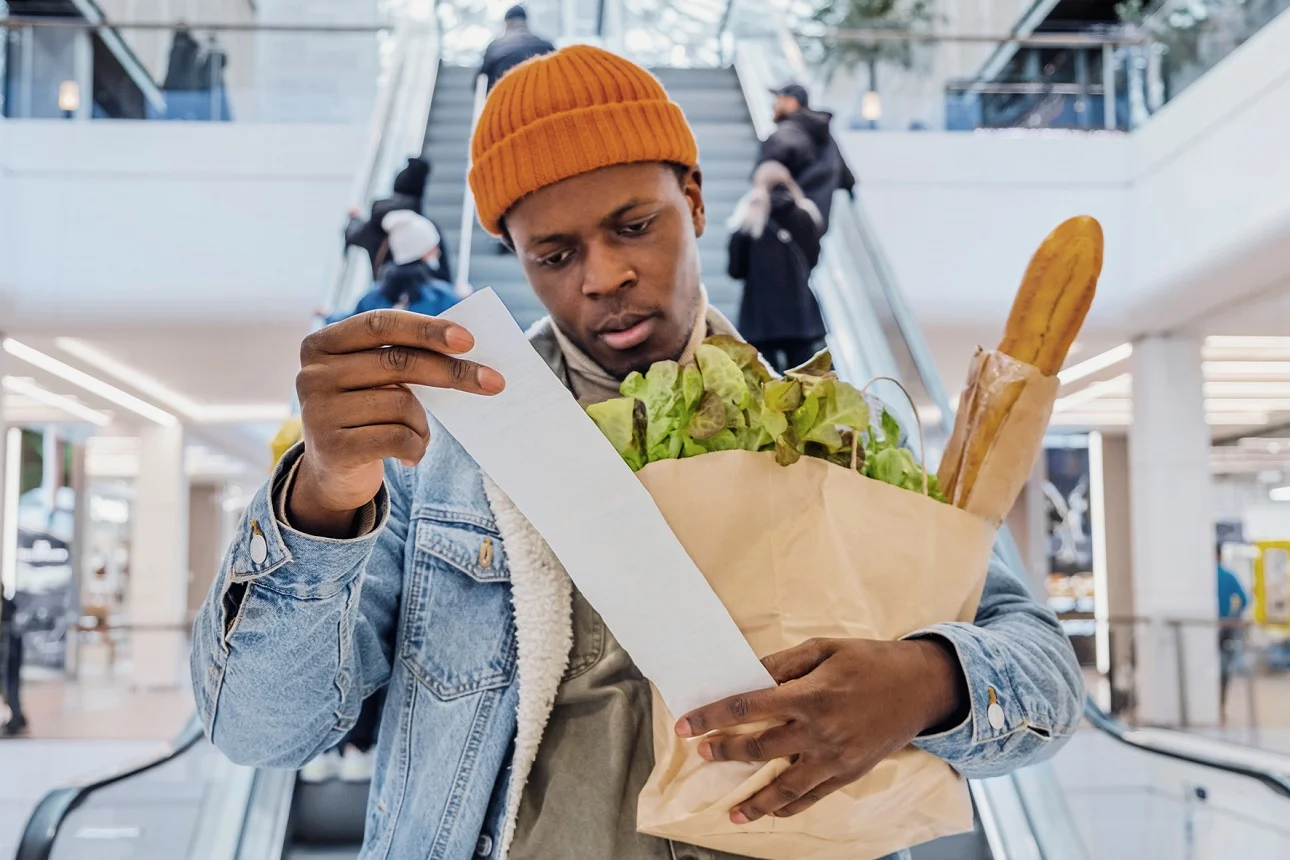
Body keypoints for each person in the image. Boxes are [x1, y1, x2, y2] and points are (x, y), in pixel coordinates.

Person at [192, 46, 1083, 860]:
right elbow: (260, 732)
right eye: (555, 252)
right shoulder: (436, 452)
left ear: (694, 201)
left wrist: (926, 682)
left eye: (633, 225)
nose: (602, 276)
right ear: (516, 258)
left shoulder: (826, 427)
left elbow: (1045, 675)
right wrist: (321, 495)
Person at [728, 160, 827, 373]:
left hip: (760, 315)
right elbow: (813, 261)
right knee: (806, 383)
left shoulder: (747, 219)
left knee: (764, 382)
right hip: (799, 313)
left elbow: (735, 270)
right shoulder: (806, 215)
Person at [759, 83, 856, 234]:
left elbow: (763, 176)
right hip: (816, 223)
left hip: (785, 226)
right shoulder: (825, 136)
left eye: (778, 99)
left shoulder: (785, 135)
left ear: (792, 102)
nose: (774, 104)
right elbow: (846, 177)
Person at [330, 211, 459, 324]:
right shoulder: (441, 296)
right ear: (422, 252)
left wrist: (328, 316)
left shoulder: (372, 297)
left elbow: (350, 325)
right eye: (433, 248)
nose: (438, 253)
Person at [344, 156, 453, 283]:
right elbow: (444, 275)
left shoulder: (377, 224)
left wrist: (355, 218)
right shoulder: (426, 228)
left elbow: (354, 234)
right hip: (422, 299)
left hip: (384, 296)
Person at [479, 5, 556, 92]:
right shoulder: (546, 45)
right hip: (541, 98)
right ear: (525, 21)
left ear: (507, 22)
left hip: (505, 99)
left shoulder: (495, 47)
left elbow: (481, 80)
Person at [1216, 543, 1249, 716]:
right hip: (1224, 626)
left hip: (1208, 629)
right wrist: (1232, 616)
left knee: (1207, 668)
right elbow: (1244, 600)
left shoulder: (1202, 578)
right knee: (1223, 668)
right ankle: (1220, 705)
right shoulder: (1228, 576)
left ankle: (1211, 703)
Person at [1, 593, 26, 737]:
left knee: (10, 686)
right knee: (11, 687)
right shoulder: (9, 608)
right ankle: (16, 717)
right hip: (10, 655)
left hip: (9, 656)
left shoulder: (8, 609)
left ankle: (16, 718)